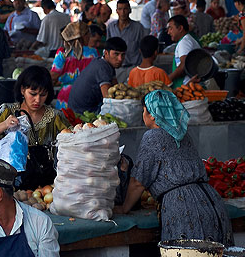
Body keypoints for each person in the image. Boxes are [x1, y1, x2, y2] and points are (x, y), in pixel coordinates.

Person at [115, 91, 233, 245]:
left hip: (184, 208)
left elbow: (138, 182)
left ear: (152, 114)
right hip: (212, 203)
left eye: (144, 110)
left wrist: (124, 208)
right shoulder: (182, 134)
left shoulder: (152, 136)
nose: (142, 114)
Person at [0, 65, 69, 149]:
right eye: (33, 94)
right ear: (22, 90)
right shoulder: (7, 110)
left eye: (43, 95)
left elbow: (72, 138)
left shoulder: (55, 116)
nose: (37, 100)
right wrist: (4, 124)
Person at [68, 37, 126, 115]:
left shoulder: (105, 63)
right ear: (106, 53)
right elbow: (108, 99)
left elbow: (116, 87)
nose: (120, 59)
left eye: (123, 55)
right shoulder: (102, 67)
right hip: (82, 113)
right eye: (116, 54)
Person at [50, 22, 99, 109]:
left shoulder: (63, 53)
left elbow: (53, 75)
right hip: (87, 95)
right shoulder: (93, 53)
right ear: (83, 35)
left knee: (65, 121)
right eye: (88, 34)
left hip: (67, 96)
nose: (89, 37)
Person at [106, 0, 146, 81]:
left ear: (130, 10)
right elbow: (108, 47)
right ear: (117, 11)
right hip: (116, 69)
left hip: (133, 68)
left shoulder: (138, 28)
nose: (123, 12)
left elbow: (143, 48)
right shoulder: (111, 27)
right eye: (120, 9)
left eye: (125, 9)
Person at [166, 15, 201, 88]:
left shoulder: (184, 42)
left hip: (188, 86)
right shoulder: (187, 40)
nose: (168, 32)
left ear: (180, 28)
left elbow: (184, 64)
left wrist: (168, 78)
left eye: (171, 28)